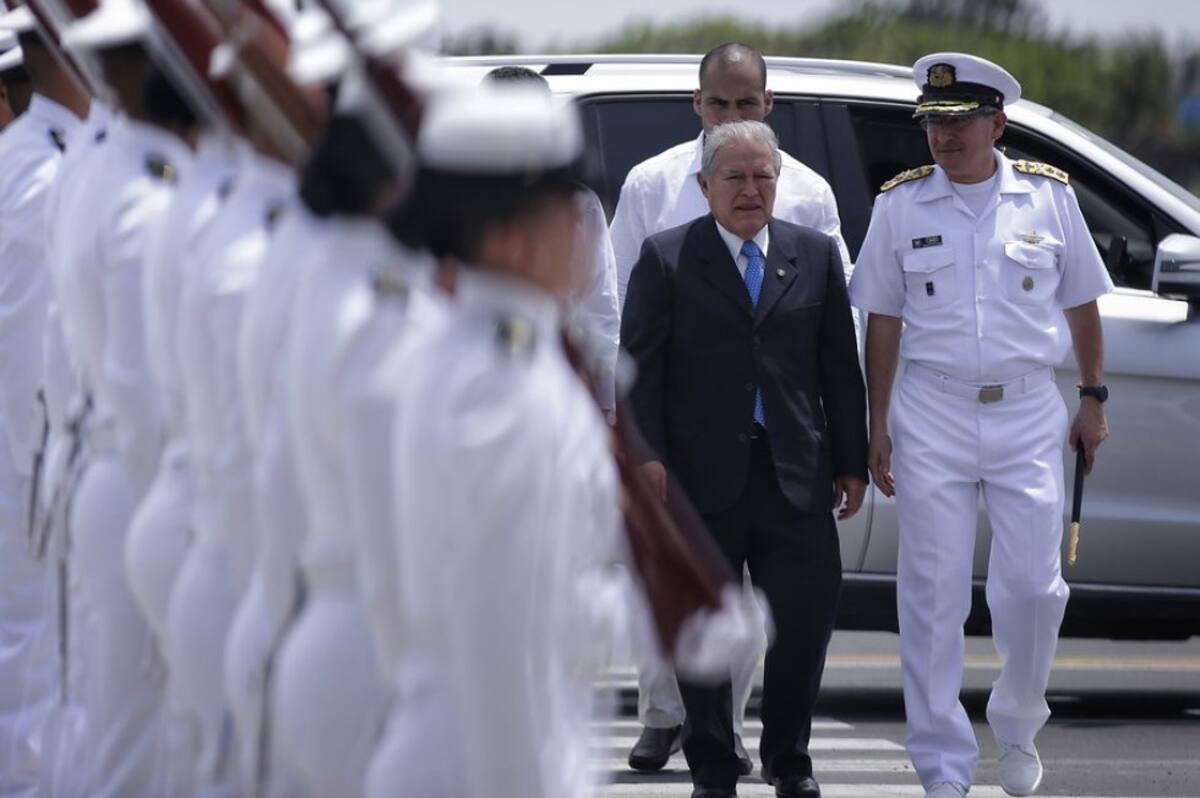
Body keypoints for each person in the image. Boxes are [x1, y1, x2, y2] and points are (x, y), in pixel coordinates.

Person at [847, 53, 1112, 798]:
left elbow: (1083, 302)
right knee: (931, 594)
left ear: (998, 123)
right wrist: (878, 419)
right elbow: (884, 319)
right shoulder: (900, 206)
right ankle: (943, 768)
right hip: (929, 409)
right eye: (934, 124)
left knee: (1034, 590)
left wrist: (1093, 398)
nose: (944, 138)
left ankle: (1020, 725)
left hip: (1028, 409)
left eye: (960, 123)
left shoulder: (1047, 198)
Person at [367, 83, 628, 798]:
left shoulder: (488, 355)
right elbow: (500, 643)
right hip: (486, 761)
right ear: (513, 237)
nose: (582, 230)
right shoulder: (504, 389)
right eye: (564, 214)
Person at [608, 41, 853, 772]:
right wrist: (640, 446)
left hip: (787, 460)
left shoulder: (808, 207)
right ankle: (684, 735)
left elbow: (833, 346)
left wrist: (850, 453)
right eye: (719, 104)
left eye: (747, 104)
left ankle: (770, 751)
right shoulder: (655, 197)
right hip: (694, 449)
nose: (750, 188)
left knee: (792, 619)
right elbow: (631, 330)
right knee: (691, 610)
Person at [0, 6, 87, 793]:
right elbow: (34, 372)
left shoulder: (32, 161)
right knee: (29, 676)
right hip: (25, 474)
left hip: (24, 467)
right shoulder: (41, 176)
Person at [484, 65, 621, 413]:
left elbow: (599, 309)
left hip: (557, 389)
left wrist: (605, 407)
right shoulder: (453, 205)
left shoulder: (579, 203)